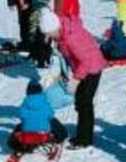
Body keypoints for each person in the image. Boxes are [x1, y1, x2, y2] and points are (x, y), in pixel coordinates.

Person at [40, 12, 106, 149]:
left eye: (49, 34)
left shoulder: (70, 38)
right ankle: (84, 132)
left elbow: (85, 61)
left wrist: (76, 79)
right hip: (85, 68)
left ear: (55, 28)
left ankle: (84, 139)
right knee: (81, 101)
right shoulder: (64, 31)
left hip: (91, 69)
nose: (49, 38)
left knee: (84, 103)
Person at [8, 80, 68, 153]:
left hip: (27, 135)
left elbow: (21, 116)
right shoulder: (45, 102)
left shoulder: (25, 104)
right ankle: (62, 136)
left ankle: (19, 144)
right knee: (53, 121)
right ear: (40, 91)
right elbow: (51, 114)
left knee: (19, 126)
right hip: (43, 135)